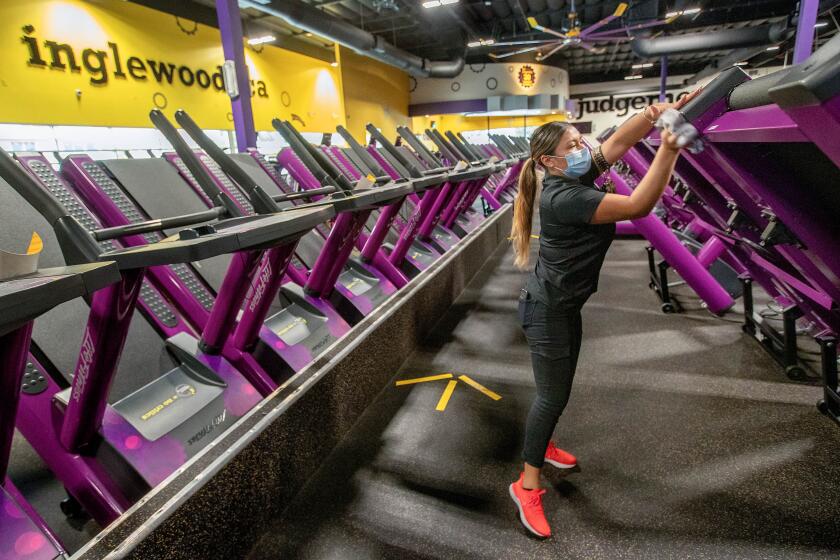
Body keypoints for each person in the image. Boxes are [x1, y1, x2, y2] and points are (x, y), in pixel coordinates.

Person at [508, 91, 701, 538]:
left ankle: (543, 444)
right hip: (548, 311)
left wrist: (655, 113)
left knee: (555, 392)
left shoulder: (572, 173)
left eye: (580, 141)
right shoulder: (563, 197)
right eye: (572, 147)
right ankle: (526, 483)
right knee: (552, 396)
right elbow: (637, 207)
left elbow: (618, 142)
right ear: (549, 163)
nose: (583, 150)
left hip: (560, 305)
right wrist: (669, 150)